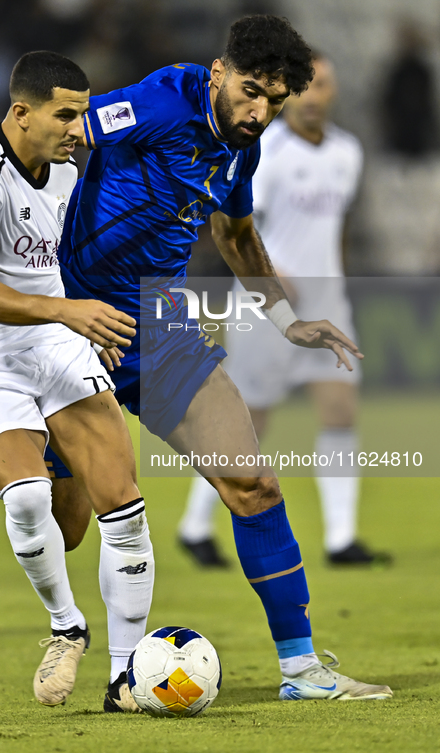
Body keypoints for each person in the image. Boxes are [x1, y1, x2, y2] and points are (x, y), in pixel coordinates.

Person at [46, 15, 393, 702]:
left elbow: (235, 233)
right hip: (75, 320)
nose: (258, 110)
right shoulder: (159, 101)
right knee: (69, 523)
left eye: (274, 99)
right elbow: (62, 134)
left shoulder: (243, 150)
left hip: (162, 323)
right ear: (218, 72)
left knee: (254, 483)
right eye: (249, 91)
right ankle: (65, 618)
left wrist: (288, 320)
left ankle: (300, 670)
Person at [0, 51, 154, 713]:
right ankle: (66, 625)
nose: (80, 127)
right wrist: (70, 310)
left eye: (83, 112)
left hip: (52, 336)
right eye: (66, 113)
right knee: (26, 498)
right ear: (21, 112)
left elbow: (70, 261)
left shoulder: (68, 173)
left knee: (116, 503)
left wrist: (91, 313)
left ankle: (126, 675)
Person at [179, 53, 392, 567]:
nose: (315, 97)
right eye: (308, 87)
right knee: (249, 420)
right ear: (292, 93)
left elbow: (333, 228)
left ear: (334, 93)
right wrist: (277, 279)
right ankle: (195, 523)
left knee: (340, 409)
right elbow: (238, 230)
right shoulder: (264, 150)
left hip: (326, 302)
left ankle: (341, 539)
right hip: (264, 305)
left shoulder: (348, 152)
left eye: (325, 86)